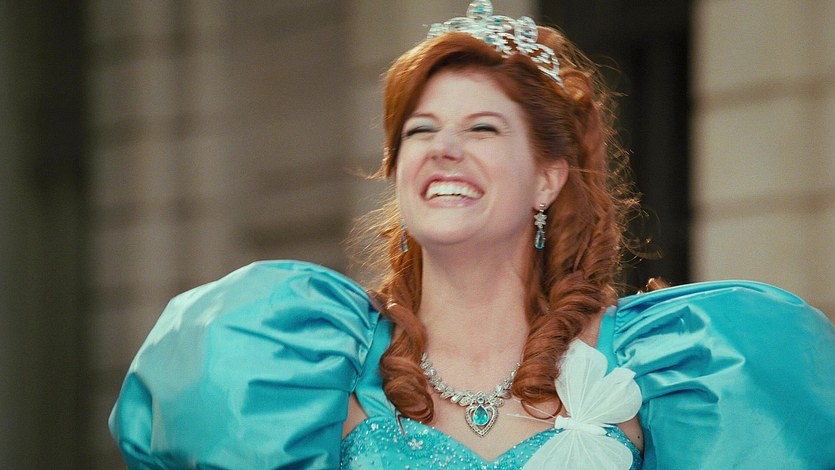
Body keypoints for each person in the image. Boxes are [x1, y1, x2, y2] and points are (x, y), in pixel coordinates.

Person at [109, 1, 835, 468]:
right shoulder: (302, 360)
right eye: (420, 131)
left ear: (547, 179)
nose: (443, 148)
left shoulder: (670, 366)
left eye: (481, 129)